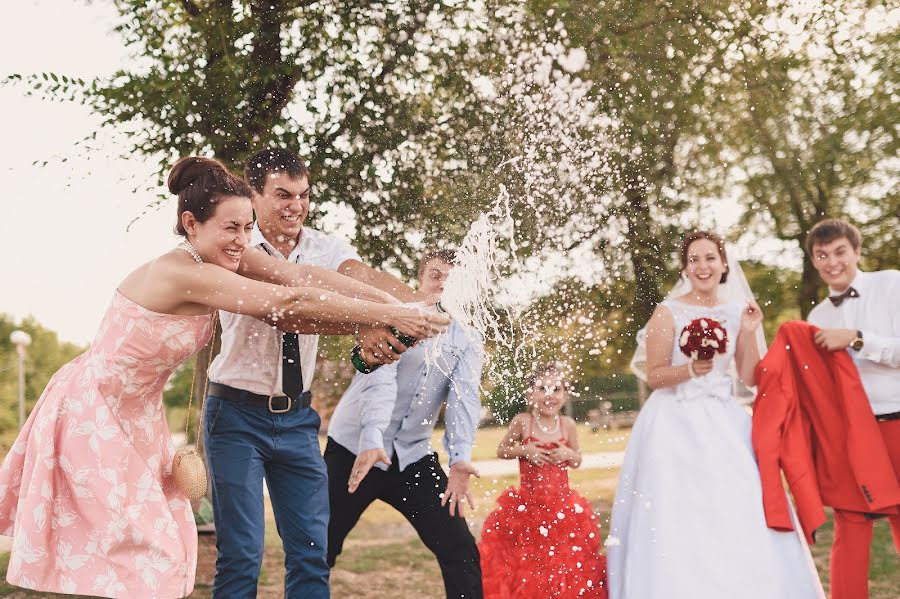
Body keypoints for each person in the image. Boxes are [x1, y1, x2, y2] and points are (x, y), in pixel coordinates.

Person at [0, 156, 446, 598]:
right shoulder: (184, 273)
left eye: (248, 228)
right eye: (232, 229)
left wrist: (400, 310)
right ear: (192, 223)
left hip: (136, 415)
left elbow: (300, 276)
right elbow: (287, 307)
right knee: (150, 555)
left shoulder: (219, 255)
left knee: (158, 553)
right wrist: (385, 315)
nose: (243, 241)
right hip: (94, 411)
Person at [203, 148, 439, 599]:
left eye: (304, 195)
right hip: (234, 415)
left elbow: (360, 274)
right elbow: (290, 311)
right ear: (253, 195)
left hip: (297, 420)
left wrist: (416, 306)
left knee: (313, 552)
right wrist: (374, 320)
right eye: (283, 195)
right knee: (242, 554)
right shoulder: (237, 248)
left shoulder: (326, 246)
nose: (296, 205)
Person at [606, 231, 824, 599]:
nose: (702, 266)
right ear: (685, 268)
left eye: (710, 258)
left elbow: (751, 375)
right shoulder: (668, 311)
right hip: (672, 423)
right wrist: (690, 370)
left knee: (739, 502)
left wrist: (748, 333)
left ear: (724, 264)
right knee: (675, 508)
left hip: (725, 421)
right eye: (694, 260)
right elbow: (655, 374)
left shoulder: (737, 311)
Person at [325, 249, 484, 599]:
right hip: (355, 449)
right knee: (319, 546)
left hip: (412, 455)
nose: (443, 284)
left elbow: (464, 399)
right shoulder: (396, 317)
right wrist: (371, 438)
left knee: (460, 549)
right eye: (435, 275)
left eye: (452, 278)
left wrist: (459, 458)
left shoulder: (469, 339)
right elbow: (379, 378)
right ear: (420, 282)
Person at [804, 218, 900, 599]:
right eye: (822, 255)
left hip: (897, 420)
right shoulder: (816, 319)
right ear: (814, 261)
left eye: (840, 251)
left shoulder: (892, 285)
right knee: (851, 524)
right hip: (852, 435)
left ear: (857, 252)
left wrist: (858, 340)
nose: (832, 262)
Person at [478, 363, 608, 599]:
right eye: (542, 389)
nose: (549, 395)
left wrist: (567, 454)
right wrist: (524, 450)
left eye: (556, 389)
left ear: (565, 394)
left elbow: (577, 459)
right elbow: (502, 450)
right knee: (529, 560)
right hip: (528, 508)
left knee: (562, 560)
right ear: (530, 394)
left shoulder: (567, 425)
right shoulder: (523, 421)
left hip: (562, 510)